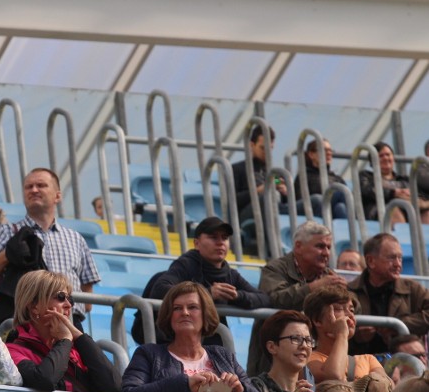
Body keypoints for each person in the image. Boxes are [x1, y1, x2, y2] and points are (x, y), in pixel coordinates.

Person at [122, 282, 266, 392]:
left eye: (192, 307)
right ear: (169, 316)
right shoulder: (149, 354)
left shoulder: (223, 356)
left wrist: (239, 391)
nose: (184, 313)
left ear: (205, 315)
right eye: (177, 308)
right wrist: (186, 384)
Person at [0, 168, 100, 330]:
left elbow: (88, 302)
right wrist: (7, 255)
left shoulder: (76, 239)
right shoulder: (6, 232)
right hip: (22, 326)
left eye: (41, 185)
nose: (34, 190)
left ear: (58, 196)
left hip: (69, 325)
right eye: (28, 187)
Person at [5, 270, 121, 392]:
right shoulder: (12, 350)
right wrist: (65, 340)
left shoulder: (77, 348)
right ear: (34, 306)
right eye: (60, 297)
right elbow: (44, 381)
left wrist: (79, 336)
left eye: (70, 299)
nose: (68, 305)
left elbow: (112, 386)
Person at [137, 216, 269, 344]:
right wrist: (208, 294)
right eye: (213, 237)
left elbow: (264, 298)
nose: (220, 242)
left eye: (225, 238)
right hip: (173, 342)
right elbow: (160, 289)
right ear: (196, 243)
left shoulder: (230, 274)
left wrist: (236, 296)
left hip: (209, 342)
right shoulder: (186, 265)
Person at [247, 221, 347, 376]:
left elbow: (353, 309)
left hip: (315, 356)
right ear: (298, 246)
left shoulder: (328, 275)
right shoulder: (275, 269)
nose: (326, 253)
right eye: (320, 246)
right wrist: (313, 287)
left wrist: (345, 297)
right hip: (273, 358)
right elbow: (275, 299)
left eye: (328, 247)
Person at [348, 233, 429, 355]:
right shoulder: (349, 292)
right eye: (391, 258)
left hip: (405, 366)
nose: (398, 264)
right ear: (371, 261)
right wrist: (356, 336)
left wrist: (400, 325)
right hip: (360, 365)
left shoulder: (412, 289)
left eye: (400, 258)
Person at [233, 125, 287, 254]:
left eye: (270, 149)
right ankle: (274, 251)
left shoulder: (274, 172)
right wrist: (260, 190)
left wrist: (285, 193)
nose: (267, 152)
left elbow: (286, 203)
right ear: (252, 145)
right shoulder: (237, 169)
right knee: (268, 196)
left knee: (315, 201)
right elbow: (234, 200)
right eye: (263, 148)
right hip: (248, 212)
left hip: (273, 208)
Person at [251, 310, 315, 392]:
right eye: (295, 338)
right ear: (272, 347)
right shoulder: (254, 390)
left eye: (308, 340)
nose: (304, 346)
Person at [359, 142, 418, 225]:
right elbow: (367, 191)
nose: (386, 158)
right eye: (381, 156)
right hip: (377, 213)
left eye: (388, 154)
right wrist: (393, 193)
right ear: (372, 161)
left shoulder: (405, 180)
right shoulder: (365, 176)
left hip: (407, 211)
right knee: (393, 209)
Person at [294, 139, 347, 219]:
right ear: (311, 154)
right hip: (315, 212)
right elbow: (300, 201)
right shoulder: (304, 176)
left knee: (341, 207)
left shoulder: (337, 179)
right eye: (324, 150)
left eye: (330, 150)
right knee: (338, 193)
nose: (329, 153)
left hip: (332, 214)